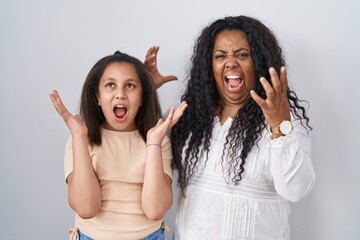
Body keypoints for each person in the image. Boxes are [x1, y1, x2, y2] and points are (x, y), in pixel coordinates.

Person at [145, 15, 315, 240]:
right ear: (209, 66)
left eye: (242, 54)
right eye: (220, 56)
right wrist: (144, 88)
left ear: (259, 62)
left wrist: (279, 126)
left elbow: (296, 190)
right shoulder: (188, 116)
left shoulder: (284, 121)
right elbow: (139, 148)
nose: (231, 62)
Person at [49, 51, 187, 240]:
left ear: (142, 98)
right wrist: (79, 137)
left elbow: (155, 210)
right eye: (110, 85)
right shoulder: (80, 139)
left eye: (129, 86)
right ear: (98, 96)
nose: (120, 94)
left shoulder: (158, 140)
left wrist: (154, 143)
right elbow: (86, 208)